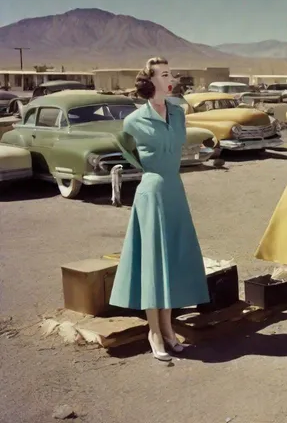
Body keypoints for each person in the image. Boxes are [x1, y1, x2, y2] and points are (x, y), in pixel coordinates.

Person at [110, 57, 210, 362]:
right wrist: (146, 171)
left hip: (175, 190)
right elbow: (126, 147)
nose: (171, 79)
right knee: (154, 263)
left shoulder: (178, 113)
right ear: (149, 80)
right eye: (164, 74)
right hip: (151, 192)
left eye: (171, 74)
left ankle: (168, 327)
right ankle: (153, 331)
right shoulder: (133, 121)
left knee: (173, 260)